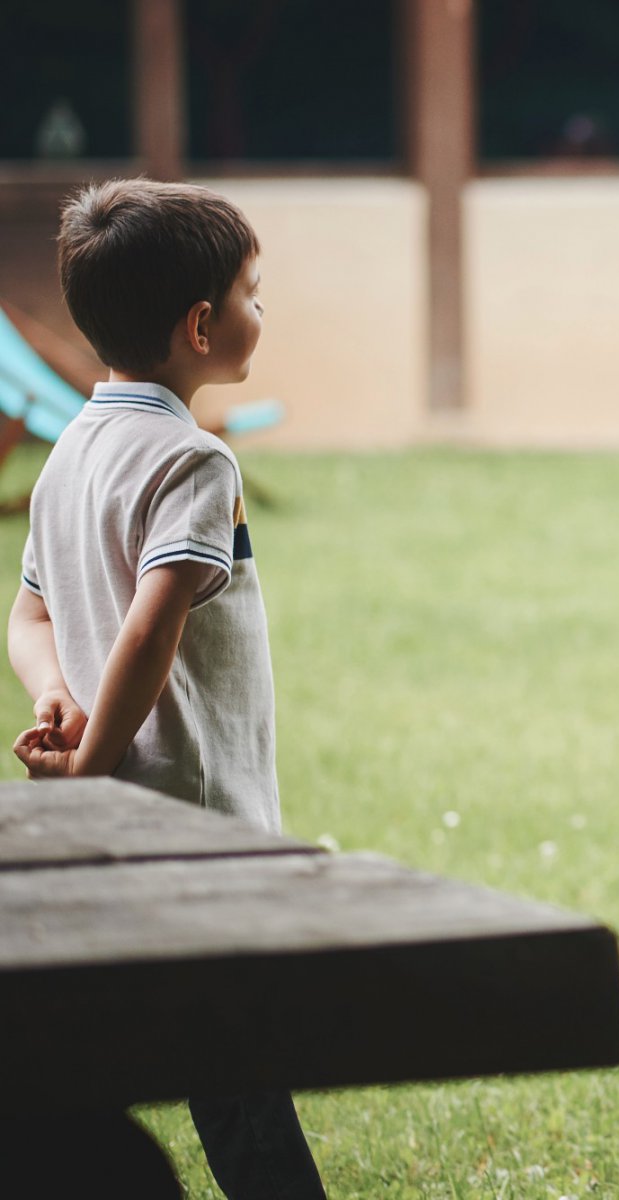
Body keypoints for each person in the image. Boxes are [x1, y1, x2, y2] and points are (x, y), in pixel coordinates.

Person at [7, 179, 327, 1200]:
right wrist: (94, 764)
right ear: (200, 326)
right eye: (252, 294)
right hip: (194, 815)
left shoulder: (70, 454)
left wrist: (56, 700)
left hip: (116, 812)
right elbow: (152, 628)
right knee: (234, 1065)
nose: (260, 310)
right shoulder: (194, 462)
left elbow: (27, 619)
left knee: (138, 1041)